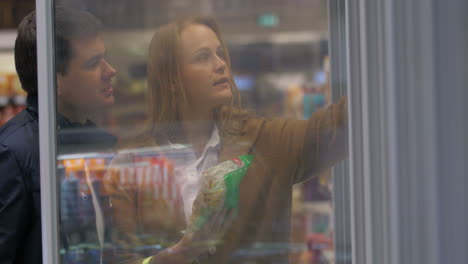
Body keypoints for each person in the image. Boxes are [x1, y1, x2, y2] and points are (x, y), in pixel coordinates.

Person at [107, 16, 347, 264]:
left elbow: (335, 127)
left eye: (220, 54)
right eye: (202, 57)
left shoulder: (262, 141)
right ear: (172, 80)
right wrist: (181, 254)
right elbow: (120, 259)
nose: (220, 64)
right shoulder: (132, 163)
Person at [0, 7, 117, 264]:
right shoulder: (13, 152)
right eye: (93, 63)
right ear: (55, 80)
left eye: (105, 58)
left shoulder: (98, 143)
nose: (110, 71)